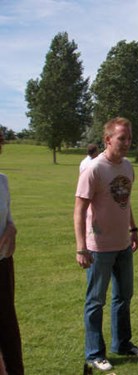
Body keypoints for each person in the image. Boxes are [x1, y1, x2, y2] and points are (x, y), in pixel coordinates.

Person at [74, 117, 138, 372]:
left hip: (123, 244)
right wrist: (81, 247)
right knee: (95, 301)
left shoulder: (127, 167)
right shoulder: (94, 169)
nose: (127, 143)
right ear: (107, 140)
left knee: (123, 297)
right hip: (98, 247)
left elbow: (125, 201)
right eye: (121, 138)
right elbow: (79, 210)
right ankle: (94, 354)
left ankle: (123, 344)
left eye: (129, 138)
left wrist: (133, 228)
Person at [0, 131, 24, 375]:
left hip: (4, 265)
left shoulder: (2, 181)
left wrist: (11, 229)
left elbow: (8, 220)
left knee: (8, 328)